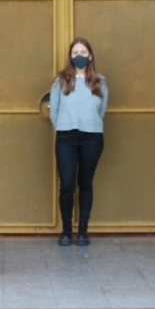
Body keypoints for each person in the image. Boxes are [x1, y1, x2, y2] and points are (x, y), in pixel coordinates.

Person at [49, 37, 108, 247]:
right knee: (66, 185)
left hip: (92, 137)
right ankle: (66, 231)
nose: (79, 56)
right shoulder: (61, 81)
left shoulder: (100, 81)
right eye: (75, 53)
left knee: (85, 183)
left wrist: (90, 123)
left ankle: (83, 231)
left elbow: (102, 110)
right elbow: (53, 110)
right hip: (66, 137)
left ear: (90, 55)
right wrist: (63, 126)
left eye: (83, 52)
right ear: (70, 56)